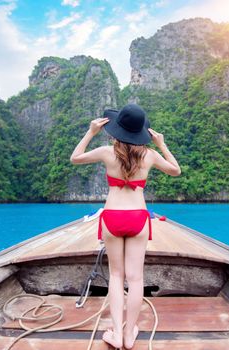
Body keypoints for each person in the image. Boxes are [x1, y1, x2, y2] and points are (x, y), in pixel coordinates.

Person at [70, 103, 181, 348]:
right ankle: (130, 335)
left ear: (118, 130)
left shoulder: (107, 152)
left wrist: (90, 132)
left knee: (116, 277)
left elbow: (75, 158)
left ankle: (116, 336)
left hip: (112, 217)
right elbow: (176, 170)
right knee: (136, 278)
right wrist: (162, 144)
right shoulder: (150, 155)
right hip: (138, 218)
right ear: (142, 132)